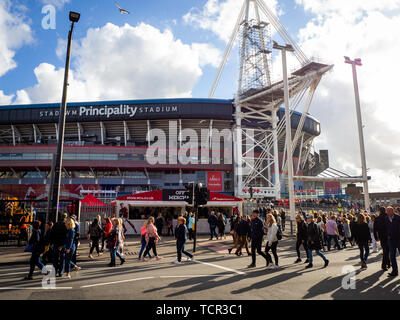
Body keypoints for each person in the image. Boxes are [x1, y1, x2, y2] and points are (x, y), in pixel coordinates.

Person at [49, 213, 68, 277]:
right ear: (65, 218)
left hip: (56, 244)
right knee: (62, 258)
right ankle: (60, 272)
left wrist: (52, 243)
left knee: (55, 259)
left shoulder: (55, 224)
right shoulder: (65, 225)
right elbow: (66, 236)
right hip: (62, 244)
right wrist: (62, 245)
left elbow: (51, 234)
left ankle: (55, 271)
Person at [373, 206, 391, 271]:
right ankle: (385, 264)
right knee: (387, 250)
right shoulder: (388, 217)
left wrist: (376, 237)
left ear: (380, 211)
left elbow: (375, 229)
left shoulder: (377, 218)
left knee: (385, 250)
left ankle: (387, 263)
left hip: (381, 236)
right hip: (388, 236)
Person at [385, 206, 400, 277]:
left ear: (393, 211)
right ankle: (395, 271)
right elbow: (385, 228)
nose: (388, 212)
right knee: (392, 256)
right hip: (391, 240)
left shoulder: (398, 217)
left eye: (389, 211)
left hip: (399, 239)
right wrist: (387, 235)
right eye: (387, 211)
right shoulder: (386, 218)